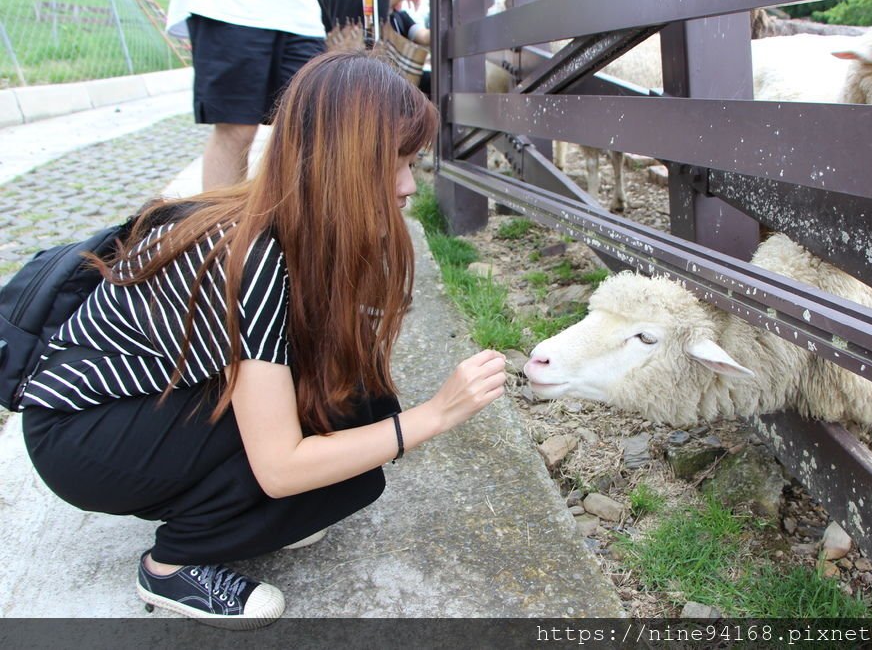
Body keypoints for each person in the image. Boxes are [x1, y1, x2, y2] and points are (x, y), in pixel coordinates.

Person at [19, 51, 507, 628]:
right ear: (341, 164)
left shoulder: (289, 222)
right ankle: (174, 565)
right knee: (337, 452)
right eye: (395, 164)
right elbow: (279, 466)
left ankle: (237, 513)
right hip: (84, 436)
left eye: (412, 163)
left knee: (358, 417)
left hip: (141, 407)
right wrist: (436, 415)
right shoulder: (249, 256)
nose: (406, 186)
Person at [166, 0, 327, 191]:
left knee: (312, 126)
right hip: (228, 3)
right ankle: (221, 223)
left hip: (299, 9)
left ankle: (297, 222)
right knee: (236, 129)